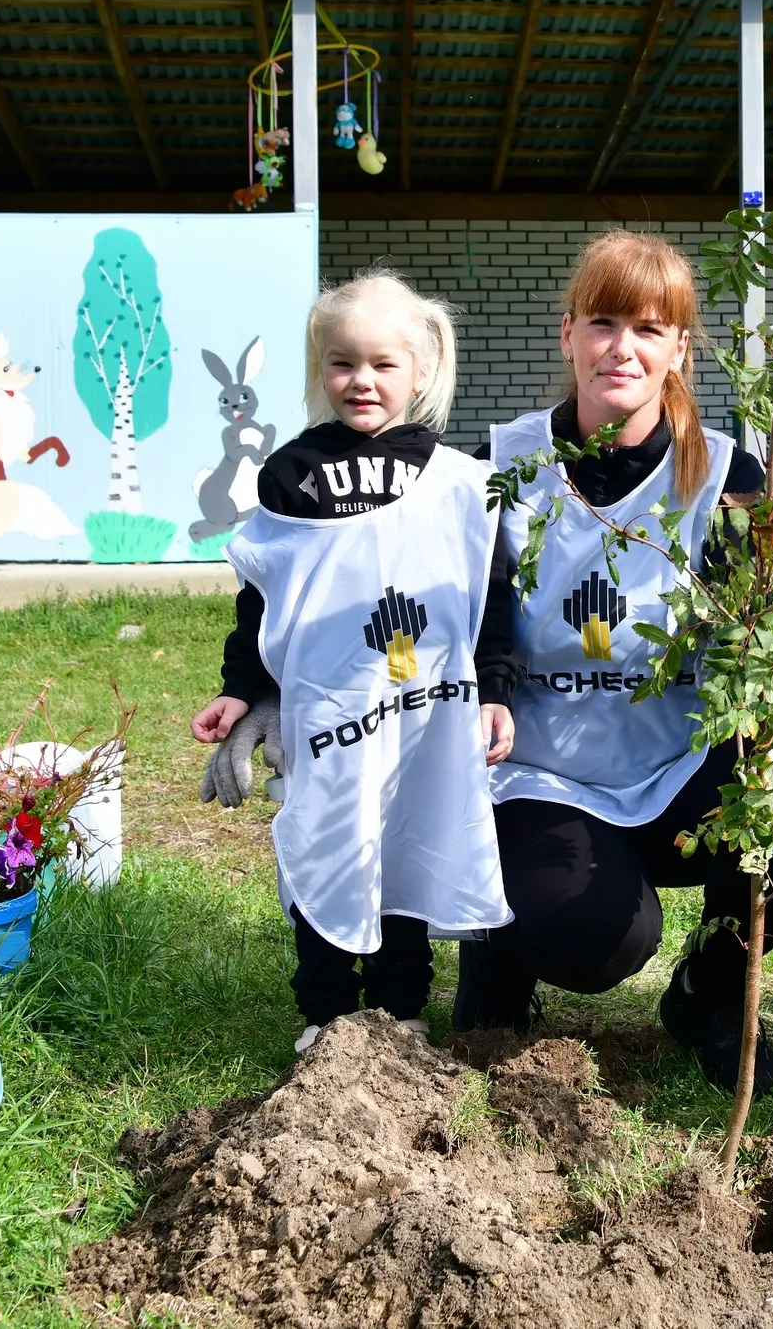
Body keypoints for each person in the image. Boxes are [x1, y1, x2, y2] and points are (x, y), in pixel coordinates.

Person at [456, 230, 773, 1094]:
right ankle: (499, 951)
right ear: (569, 333)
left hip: (678, 762)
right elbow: (471, 615)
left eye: (651, 329)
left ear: (680, 348)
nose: (624, 347)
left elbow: (763, 636)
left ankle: (715, 991)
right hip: (544, 769)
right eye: (605, 322)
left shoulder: (729, 475)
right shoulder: (502, 466)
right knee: (602, 941)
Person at [193, 271, 517, 1053]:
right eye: (342, 363)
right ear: (320, 370)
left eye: (382, 363)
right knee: (329, 842)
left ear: (421, 370)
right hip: (329, 714)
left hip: (423, 716)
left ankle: (403, 1007)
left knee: (405, 842)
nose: (361, 380)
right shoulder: (291, 476)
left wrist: (494, 688)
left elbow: (490, 591)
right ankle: (328, 1015)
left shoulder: (459, 483)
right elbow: (265, 597)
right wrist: (245, 690)